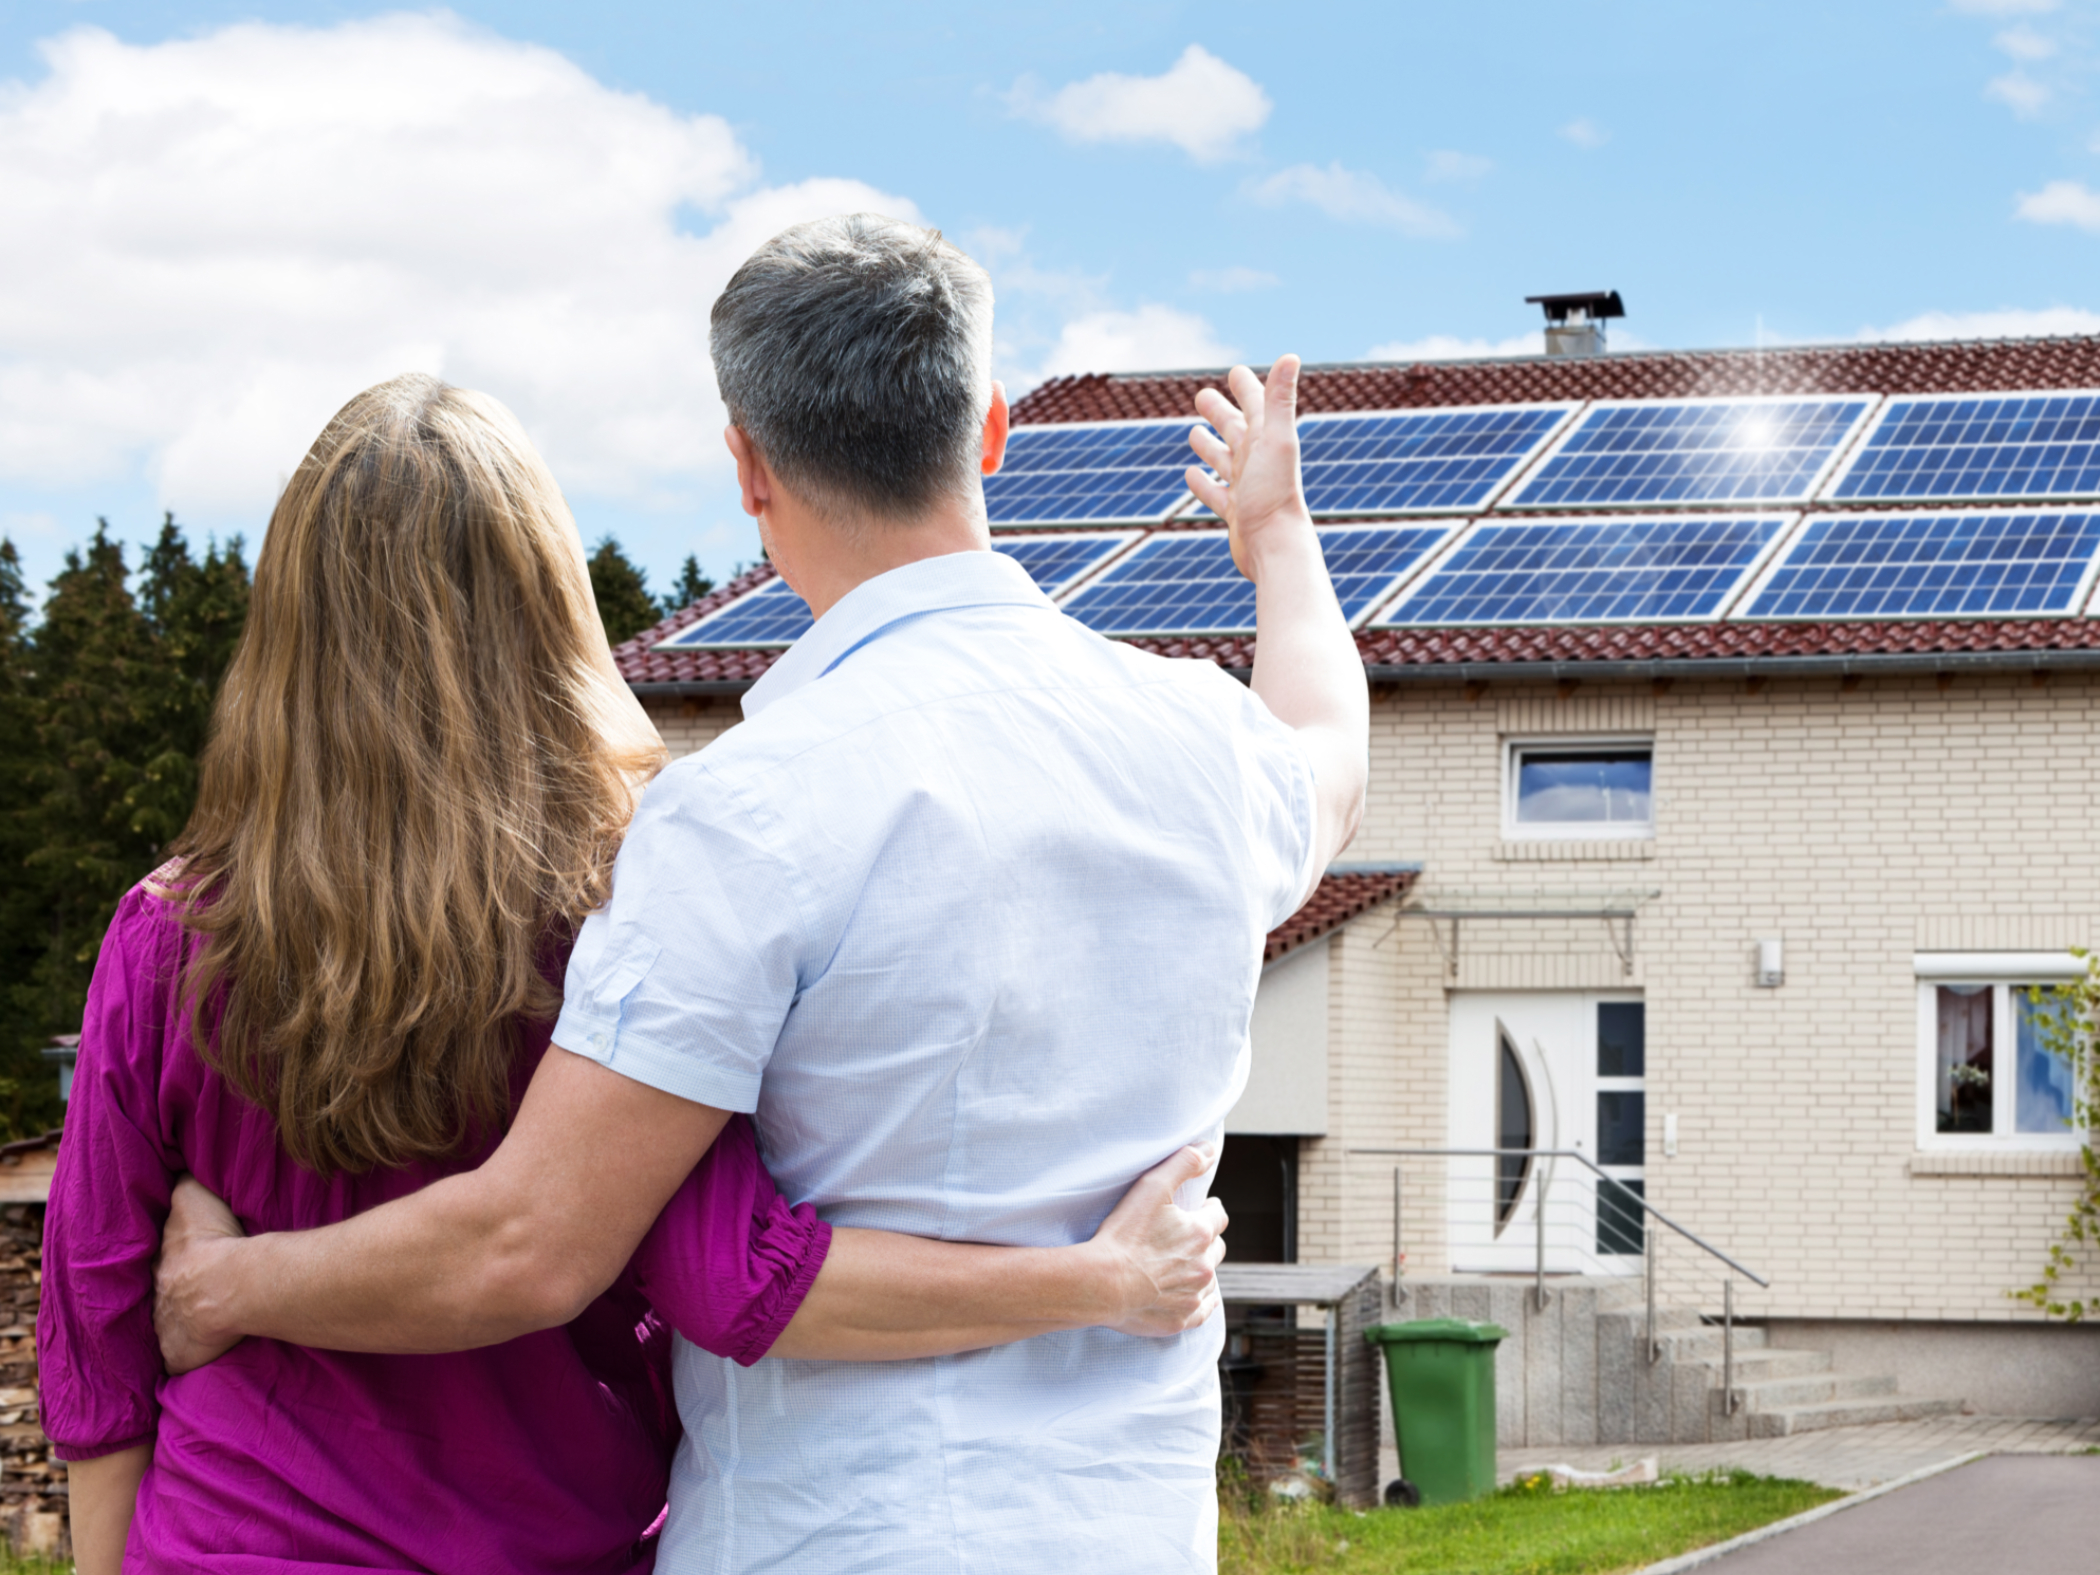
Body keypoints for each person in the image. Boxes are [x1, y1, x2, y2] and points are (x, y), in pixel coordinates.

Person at [153, 215, 1369, 1571]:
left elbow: (530, 1245)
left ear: (746, 463)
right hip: (1128, 1531)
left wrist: (230, 1284)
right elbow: (1330, 753)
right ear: (991, 430)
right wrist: (1276, 532)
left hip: (833, 1533)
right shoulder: (1202, 746)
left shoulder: (743, 815)